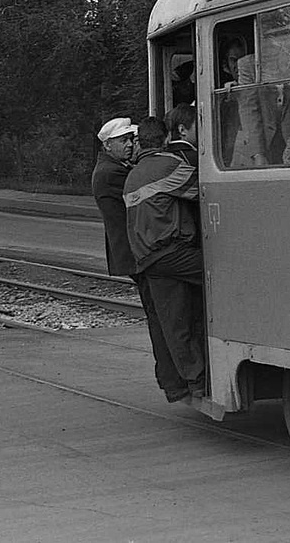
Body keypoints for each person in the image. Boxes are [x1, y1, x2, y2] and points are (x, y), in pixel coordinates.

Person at [92, 118, 184, 402]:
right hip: (138, 254)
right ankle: (172, 379)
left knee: (159, 314)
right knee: (161, 315)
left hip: (135, 253)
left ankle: (171, 377)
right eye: (124, 141)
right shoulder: (112, 173)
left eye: (132, 140)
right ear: (108, 145)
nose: (131, 145)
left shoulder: (114, 167)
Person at [124, 116, 206, 404]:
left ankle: (190, 383)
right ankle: (201, 375)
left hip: (148, 259)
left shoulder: (133, 174)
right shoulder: (168, 165)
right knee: (223, 275)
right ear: (165, 139)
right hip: (172, 252)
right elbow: (203, 191)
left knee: (173, 324)